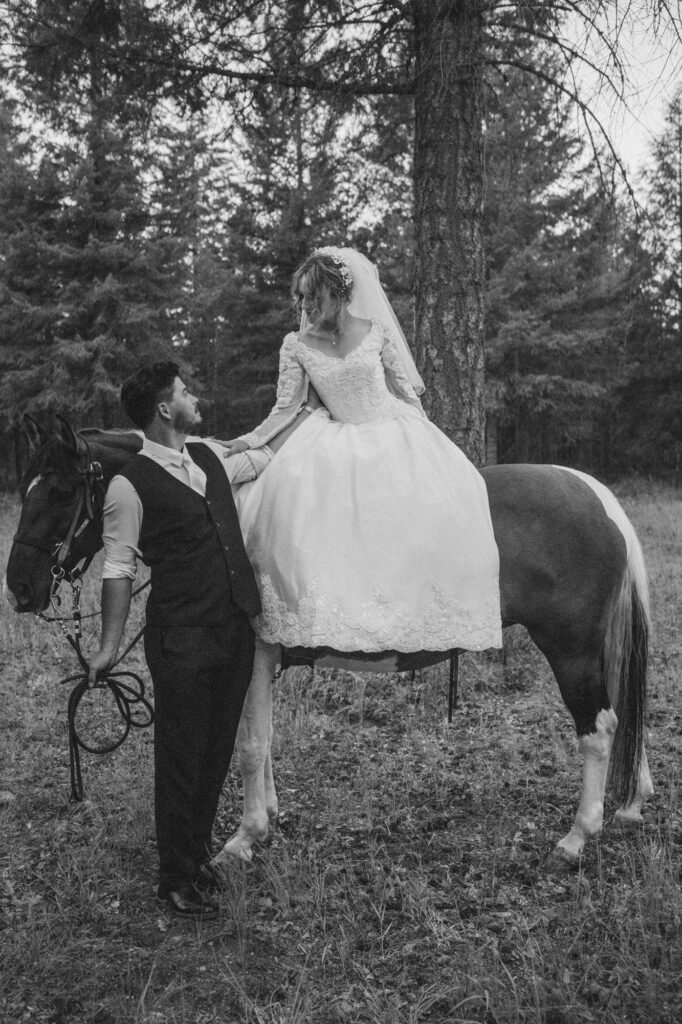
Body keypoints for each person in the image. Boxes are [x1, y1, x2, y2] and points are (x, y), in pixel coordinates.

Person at [224, 247, 502, 656]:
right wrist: (247, 442)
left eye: (310, 297)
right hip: (337, 439)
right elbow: (285, 408)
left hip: (392, 429)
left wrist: (429, 443)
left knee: (430, 510)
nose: (303, 306)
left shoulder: (375, 331)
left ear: (337, 293)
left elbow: (405, 392)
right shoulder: (296, 345)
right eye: (299, 298)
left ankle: (423, 606)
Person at [87, 361, 271, 921]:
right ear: (166, 409)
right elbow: (117, 568)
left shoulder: (210, 458)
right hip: (181, 638)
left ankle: (193, 859)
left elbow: (264, 453)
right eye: (185, 391)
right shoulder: (128, 483)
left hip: (235, 627)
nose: (195, 396)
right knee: (181, 756)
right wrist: (109, 644)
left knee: (216, 751)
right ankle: (174, 878)